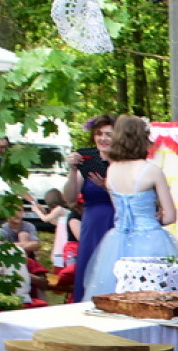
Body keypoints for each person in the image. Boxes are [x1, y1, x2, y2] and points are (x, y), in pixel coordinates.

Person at [82, 115, 178, 300]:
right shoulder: (151, 170)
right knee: (156, 297)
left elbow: (120, 213)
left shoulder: (112, 171)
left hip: (117, 239)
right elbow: (170, 217)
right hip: (151, 240)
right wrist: (154, 216)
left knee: (115, 294)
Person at [64, 114, 115, 302]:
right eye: (99, 133)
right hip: (92, 224)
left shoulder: (124, 162)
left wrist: (107, 187)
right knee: (89, 268)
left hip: (116, 222)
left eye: (109, 134)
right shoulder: (88, 161)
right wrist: (72, 170)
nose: (103, 138)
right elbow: (69, 198)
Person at [29, 189, 70, 268]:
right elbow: (53, 221)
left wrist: (36, 211)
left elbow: (45, 219)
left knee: (62, 257)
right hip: (61, 241)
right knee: (59, 259)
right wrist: (43, 212)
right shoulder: (63, 212)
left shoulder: (59, 209)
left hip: (64, 240)